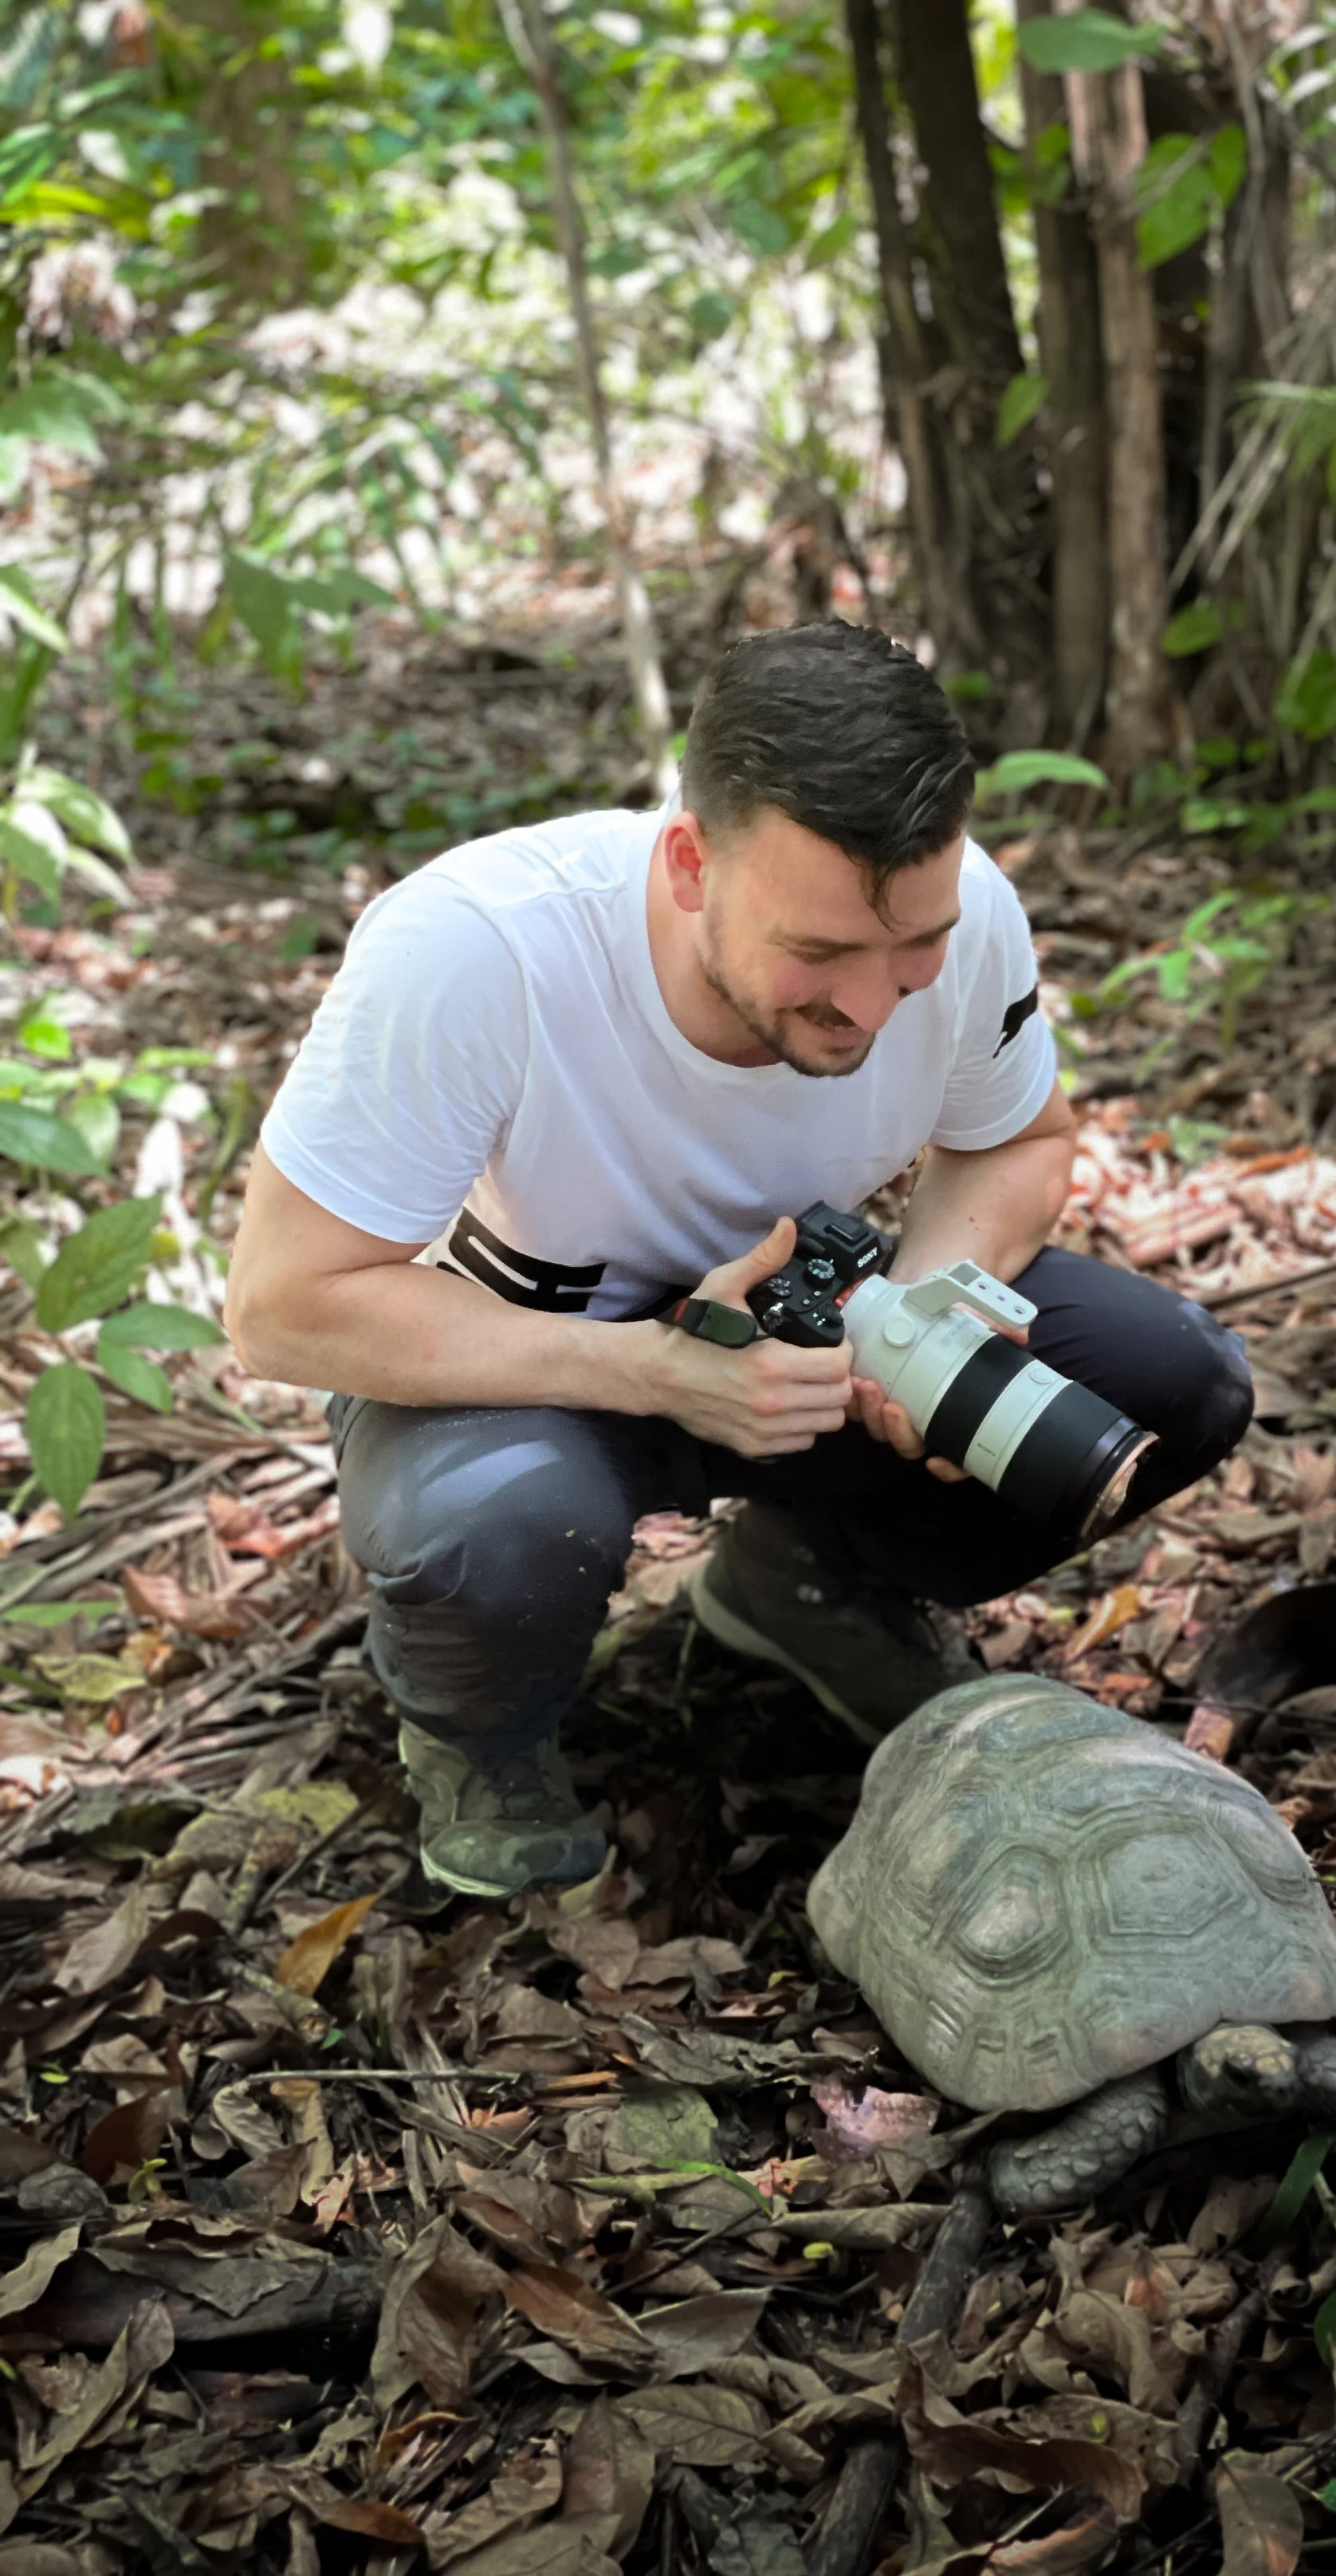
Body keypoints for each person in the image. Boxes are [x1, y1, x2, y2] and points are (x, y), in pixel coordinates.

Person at [225, 622, 1255, 1898]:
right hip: (518, 1361)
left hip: (807, 1332)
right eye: (819, 955)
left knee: (1167, 1381)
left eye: (912, 950)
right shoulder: (481, 953)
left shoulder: (964, 913)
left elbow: (1016, 1144)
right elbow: (281, 1307)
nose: (876, 1005)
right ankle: (480, 1737)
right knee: (498, 1532)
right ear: (689, 864)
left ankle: (809, 1586)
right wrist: (658, 1370)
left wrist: (932, 1312)